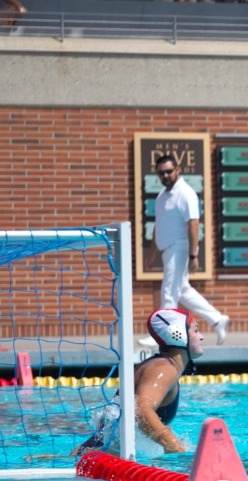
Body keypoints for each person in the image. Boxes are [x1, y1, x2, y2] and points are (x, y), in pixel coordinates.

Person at [73, 308, 205, 457]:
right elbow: (141, 411)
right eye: (196, 330)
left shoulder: (161, 366)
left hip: (96, 457)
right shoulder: (164, 369)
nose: (202, 337)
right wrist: (176, 447)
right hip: (97, 461)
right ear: (177, 334)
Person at [144, 155, 230, 347]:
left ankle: (162, 334)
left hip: (180, 247)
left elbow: (193, 223)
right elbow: (159, 226)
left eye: (168, 171)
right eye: (161, 172)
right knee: (182, 290)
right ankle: (217, 319)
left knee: (169, 291)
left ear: (177, 170)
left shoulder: (185, 193)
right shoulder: (162, 197)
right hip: (167, 250)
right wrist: (151, 254)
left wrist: (193, 255)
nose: (165, 175)